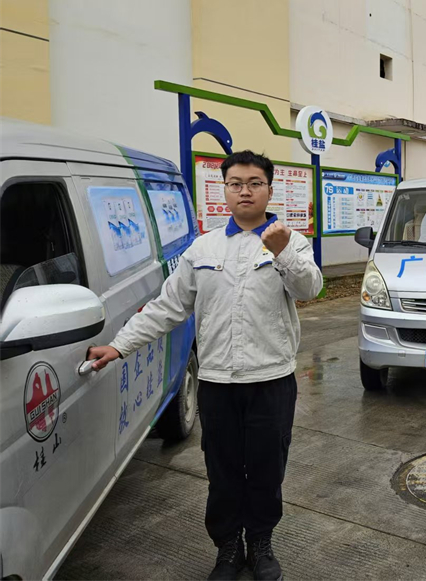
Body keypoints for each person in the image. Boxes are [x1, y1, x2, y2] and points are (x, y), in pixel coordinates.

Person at [87, 150, 323, 581]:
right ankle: (228, 548)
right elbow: (168, 307)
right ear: (225, 190)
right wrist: (119, 346)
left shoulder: (290, 240)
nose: (245, 191)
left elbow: (310, 289)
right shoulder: (203, 248)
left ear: (269, 190)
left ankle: (261, 543)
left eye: (255, 183)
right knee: (222, 470)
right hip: (217, 383)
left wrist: (284, 252)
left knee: (267, 469)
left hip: (271, 380)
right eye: (236, 183)